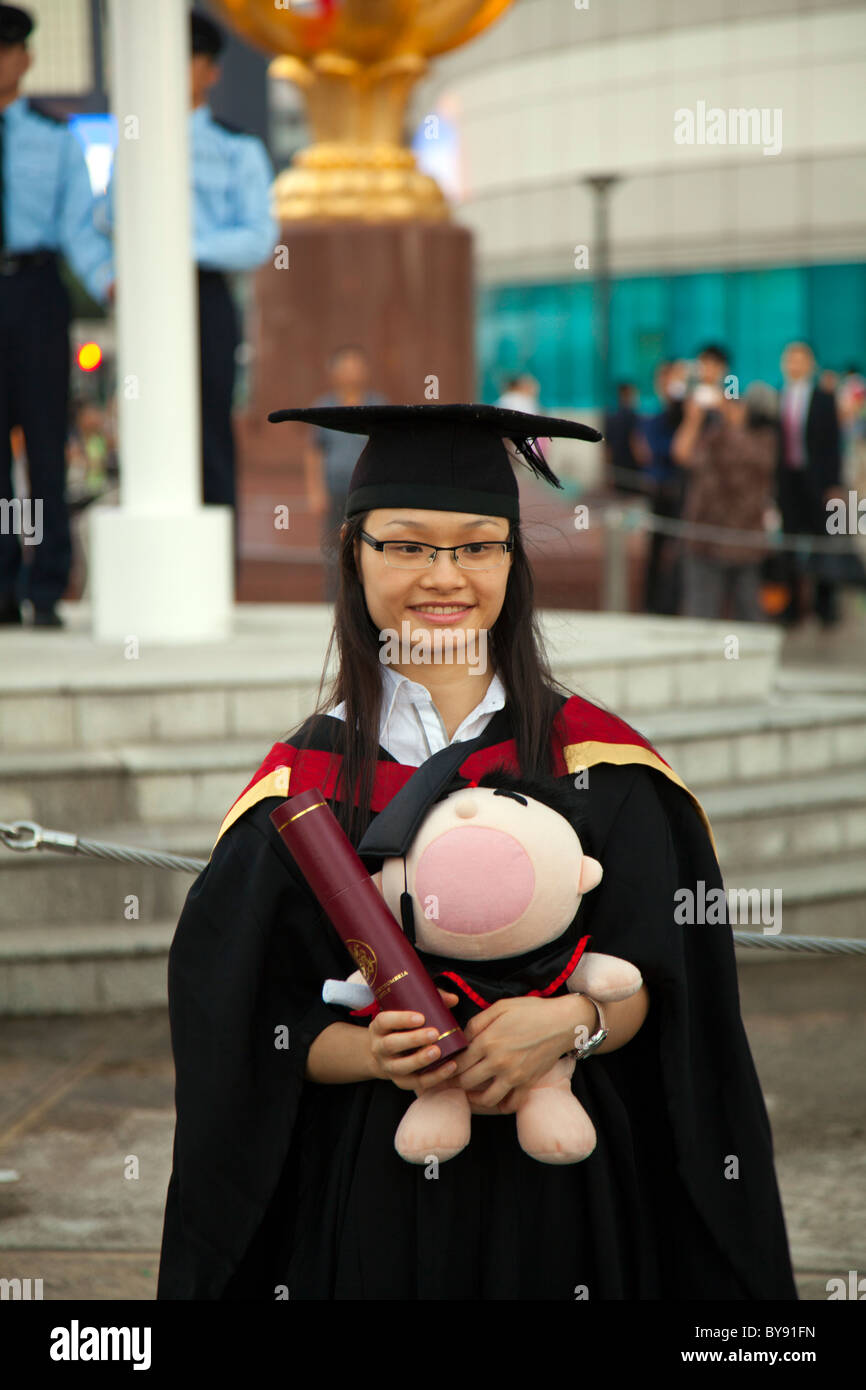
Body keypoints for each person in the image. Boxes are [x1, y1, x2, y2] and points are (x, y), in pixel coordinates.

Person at [157, 401, 797, 1301]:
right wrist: (378, 1054)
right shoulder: (302, 787)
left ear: (511, 558)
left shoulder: (600, 763)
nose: (443, 576)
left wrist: (569, 1022)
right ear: (354, 552)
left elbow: (670, 984)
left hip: (568, 1192)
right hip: (374, 1185)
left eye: (477, 546)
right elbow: (247, 1027)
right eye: (407, 545)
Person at [0, 3, 112, 628]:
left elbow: (81, 229)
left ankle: (45, 586)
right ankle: (0, 583)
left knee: (45, 445)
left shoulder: (55, 137)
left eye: (6, 49)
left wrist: (111, 281)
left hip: (36, 290)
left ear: (25, 58)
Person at [672, 382, 779, 621]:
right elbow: (681, 453)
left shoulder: (763, 440)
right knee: (702, 611)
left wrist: (726, 416)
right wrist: (693, 419)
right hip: (705, 538)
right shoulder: (715, 436)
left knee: (749, 611)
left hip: (744, 540)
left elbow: (740, 461)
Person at [303, 345, 387, 601]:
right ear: (334, 372)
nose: (350, 373)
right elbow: (313, 452)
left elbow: (386, 449)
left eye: (356, 367)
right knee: (335, 544)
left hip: (369, 490)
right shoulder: (324, 406)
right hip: (335, 489)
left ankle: (368, 597)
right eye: (345, 367)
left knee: (370, 541)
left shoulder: (377, 405)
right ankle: (335, 598)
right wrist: (315, 491)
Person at [776, 340, 843, 627]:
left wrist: (833, 484)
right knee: (789, 541)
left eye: (800, 359)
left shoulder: (824, 398)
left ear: (811, 364)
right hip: (788, 479)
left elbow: (832, 444)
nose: (795, 364)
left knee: (822, 541)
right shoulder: (778, 397)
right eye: (791, 359)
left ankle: (825, 606)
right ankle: (792, 605)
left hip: (817, 480)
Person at [640, 360, 687, 614]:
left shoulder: (688, 412)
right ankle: (653, 602)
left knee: (681, 549)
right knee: (657, 549)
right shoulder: (654, 415)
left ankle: (674, 600)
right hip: (661, 490)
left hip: (683, 490)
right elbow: (660, 450)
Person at [603, 381, 650, 497]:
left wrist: (609, 472)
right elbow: (636, 442)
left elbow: (607, 448)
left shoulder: (611, 417)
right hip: (632, 469)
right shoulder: (634, 417)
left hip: (618, 468)